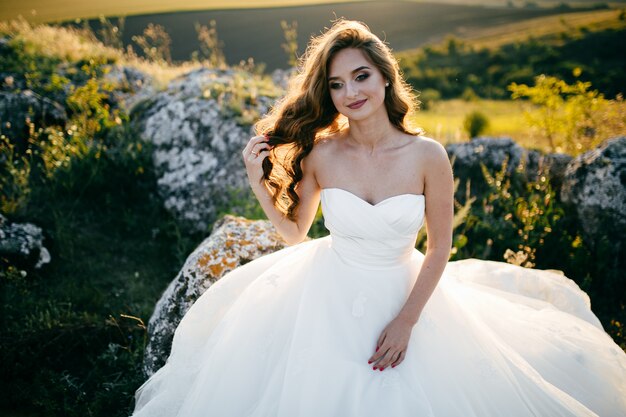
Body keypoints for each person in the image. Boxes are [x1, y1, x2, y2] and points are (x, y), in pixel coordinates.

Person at [131, 19, 626, 416]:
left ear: (385, 76)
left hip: (403, 288)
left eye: (361, 76)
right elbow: (295, 234)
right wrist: (260, 185)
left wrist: (406, 322)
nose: (351, 92)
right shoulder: (323, 154)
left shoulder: (428, 155)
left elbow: (438, 248)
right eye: (338, 84)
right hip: (325, 291)